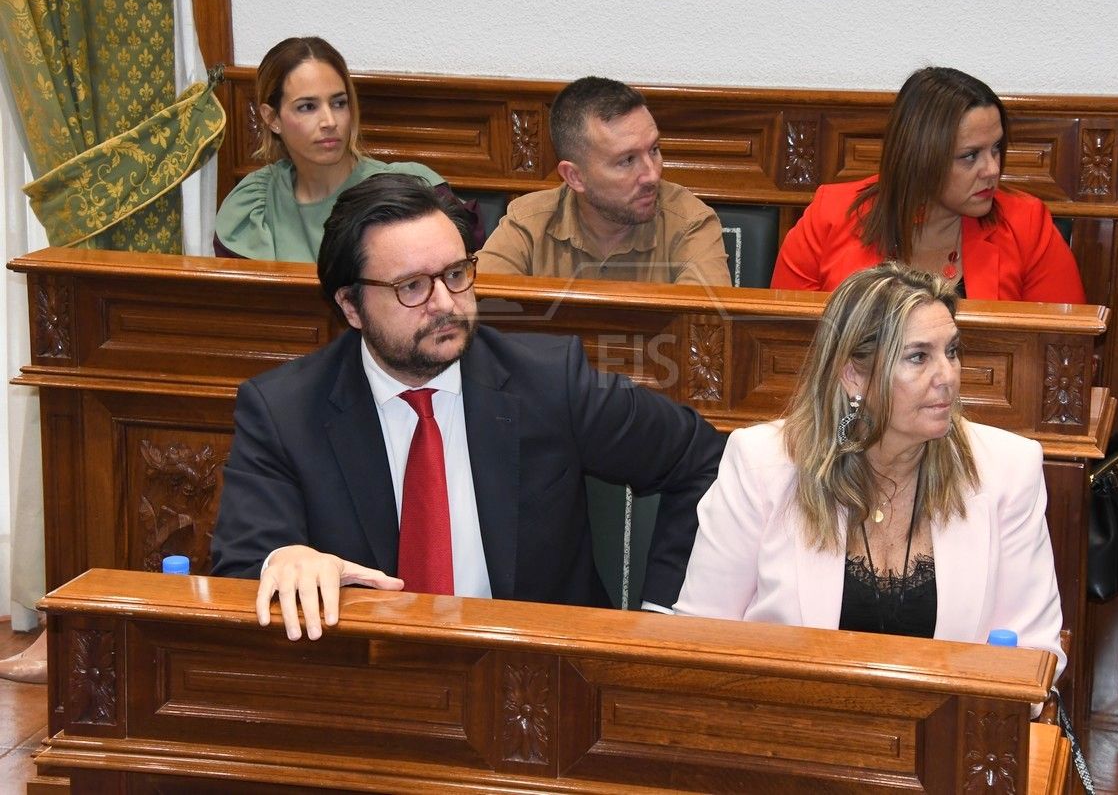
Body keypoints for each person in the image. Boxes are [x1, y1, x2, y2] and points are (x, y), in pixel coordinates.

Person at [211, 172, 725, 642]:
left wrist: (663, 615)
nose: (445, 304)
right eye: (412, 286)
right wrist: (282, 560)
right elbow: (244, 563)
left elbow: (705, 459)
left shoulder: (550, 383)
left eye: (456, 274)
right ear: (351, 306)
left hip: (537, 677)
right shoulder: (283, 412)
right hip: (368, 680)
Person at [675, 262, 1065, 686]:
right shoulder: (761, 464)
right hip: (789, 716)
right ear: (853, 375)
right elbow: (700, 637)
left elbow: (1034, 652)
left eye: (952, 351)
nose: (948, 376)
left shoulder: (1007, 468)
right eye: (918, 357)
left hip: (944, 723)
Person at [771, 67, 1085, 303]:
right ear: (920, 157)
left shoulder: (1027, 224)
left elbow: (1063, 351)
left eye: (996, 149)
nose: (992, 169)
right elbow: (785, 341)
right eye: (970, 155)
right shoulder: (829, 215)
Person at [214, 36, 478, 260]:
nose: (330, 122)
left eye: (339, 103)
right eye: (308, 107)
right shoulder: (254, 205)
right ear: (272, 118)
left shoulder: (410, 188)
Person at [477, 76, 731, 286]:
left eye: (654, 150)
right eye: (627, 160)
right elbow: (478, 307)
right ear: (575, 177)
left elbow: (705, 326)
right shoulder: (529, 224)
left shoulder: (690, 223)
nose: (652, 175)